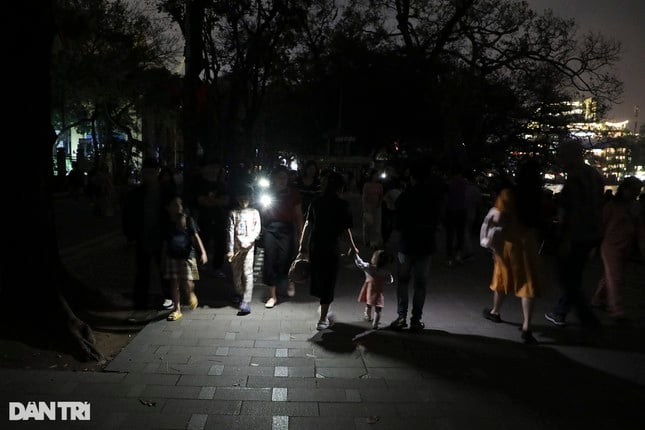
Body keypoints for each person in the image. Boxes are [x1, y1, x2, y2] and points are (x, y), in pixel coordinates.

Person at [480, 161, 544, 344]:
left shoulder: (508, 194)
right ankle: (527, 327)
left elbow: (498, 218)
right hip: (529, 243)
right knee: (527, 284)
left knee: (501, 277)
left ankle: (495, 312)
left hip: (509, 243)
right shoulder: (537, 197)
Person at [545, 141, 604, 328]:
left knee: (566, 276)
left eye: (562, 155)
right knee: (574, 275)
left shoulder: (575, 178)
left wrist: (565, 238)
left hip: (576, 234)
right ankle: (561, 311)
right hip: (592, 233)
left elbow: (572, 211)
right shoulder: (594, 175)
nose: (560, 159)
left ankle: (585, 317)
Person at [297, 171, 359, 330]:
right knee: (329, 280)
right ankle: (323, 316)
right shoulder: (343, 205)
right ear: (339, 187)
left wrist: (302, 246)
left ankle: (324, 310)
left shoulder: (316, 202)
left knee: (319, 278)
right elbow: (346, 230)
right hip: (332, 247)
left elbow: (308, 225)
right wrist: (353, 247)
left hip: (316, 245)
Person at [389, 161, 445, 332]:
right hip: (426, 244)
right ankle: (415, 320)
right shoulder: (434, 197)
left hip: (406, 243)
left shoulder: (405, 195)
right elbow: (438, 220)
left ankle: (401, 317)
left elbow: (397, 222)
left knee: (403, 281)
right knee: (420, 284)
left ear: (412, 177)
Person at [121, 157, 173, 310]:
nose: (148, 175)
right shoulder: (137, 193)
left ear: (157, 172)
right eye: (146, 172)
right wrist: (130, 235)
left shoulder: (166, 191)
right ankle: (140, 300)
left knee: (162, 269)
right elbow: (128, 215)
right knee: (143, 270)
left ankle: (167, 296)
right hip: (143, 236)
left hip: (161, 237)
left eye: (152, 172)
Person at [591, 176, 644, 322]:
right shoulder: (612, 206)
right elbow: (602, 226)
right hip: (611, 247)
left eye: (638, 190)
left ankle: (597, 299)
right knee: (615, 277)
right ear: (625, 189)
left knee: (609, 276)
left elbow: (639, 227)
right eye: (634, 190)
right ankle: (616, 310)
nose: (636, 193)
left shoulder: (632, 206)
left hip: (624, 246)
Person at [260, 165, 304, 307]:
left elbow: (298, 214)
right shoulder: (267, 193)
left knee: (286, 258)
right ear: (273, 178)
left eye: (284, 177)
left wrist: (301, 233)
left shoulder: (293, 193)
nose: (282, 180)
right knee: (270, 259)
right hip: (270, 228)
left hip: (287, 228)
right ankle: (272, 295)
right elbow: (261, 212)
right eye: (279, 177)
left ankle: (289, 281)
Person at [162, 196, 208, 321]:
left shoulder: (188, 220)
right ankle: (177, 309)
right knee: (174, 283)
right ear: (168, 208)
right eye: (174, 205)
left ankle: (191, 293)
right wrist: (163, 258)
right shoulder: (167, 223)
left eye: (179, 205)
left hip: (188, 256)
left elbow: (196, 237)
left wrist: (203, 252)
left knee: (188, 281)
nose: (177, 208)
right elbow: (165, 242)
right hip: (172, 256)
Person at [191, 157, 231, 277]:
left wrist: (211, 200)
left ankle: (217, 267)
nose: (213, 170)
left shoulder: (222, 184)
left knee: (220, 241)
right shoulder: (199, 183)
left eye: (216, 167)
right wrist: (216, 200)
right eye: (211, 167)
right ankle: (201, 263)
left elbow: (226, 201)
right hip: (203, 216)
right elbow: (200, 200)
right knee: (203, 239)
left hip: (220, 217)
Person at [226, 184, 262, 315]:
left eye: (246, 198)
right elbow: (230, 231)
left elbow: (257, 229)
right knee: (236, 273)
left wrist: (250, 241)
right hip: (236, 249)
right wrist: (230, 249)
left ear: (251, 198)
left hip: (249, 248)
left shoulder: (254, 212)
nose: (243, 201)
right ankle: (238, 292)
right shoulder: (233, 213)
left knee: (247, 272)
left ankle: (246, 301)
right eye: (240, 198)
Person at [351, 248, 394, 329]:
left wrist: (355, 255)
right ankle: (375, 324)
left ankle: (367, 316)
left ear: (374, 259)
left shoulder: (368, 267)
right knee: (378, 309)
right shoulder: (385, 272)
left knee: (368, 304)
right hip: (378, 293)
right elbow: (390, 281)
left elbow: (359, 263)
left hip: (368, 291)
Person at [362, 169, 384, 248]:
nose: (377, 177)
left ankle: (375, 242)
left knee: (377, 225)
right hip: (368, 206)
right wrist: (365, 207)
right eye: (375, 175)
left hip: (377, 206)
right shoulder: (367, 185)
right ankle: (366, 240)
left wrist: (379, 204)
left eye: (377, 175)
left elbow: (381, 196)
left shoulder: (379, 185)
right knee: (368, 225)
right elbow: (364, 196)